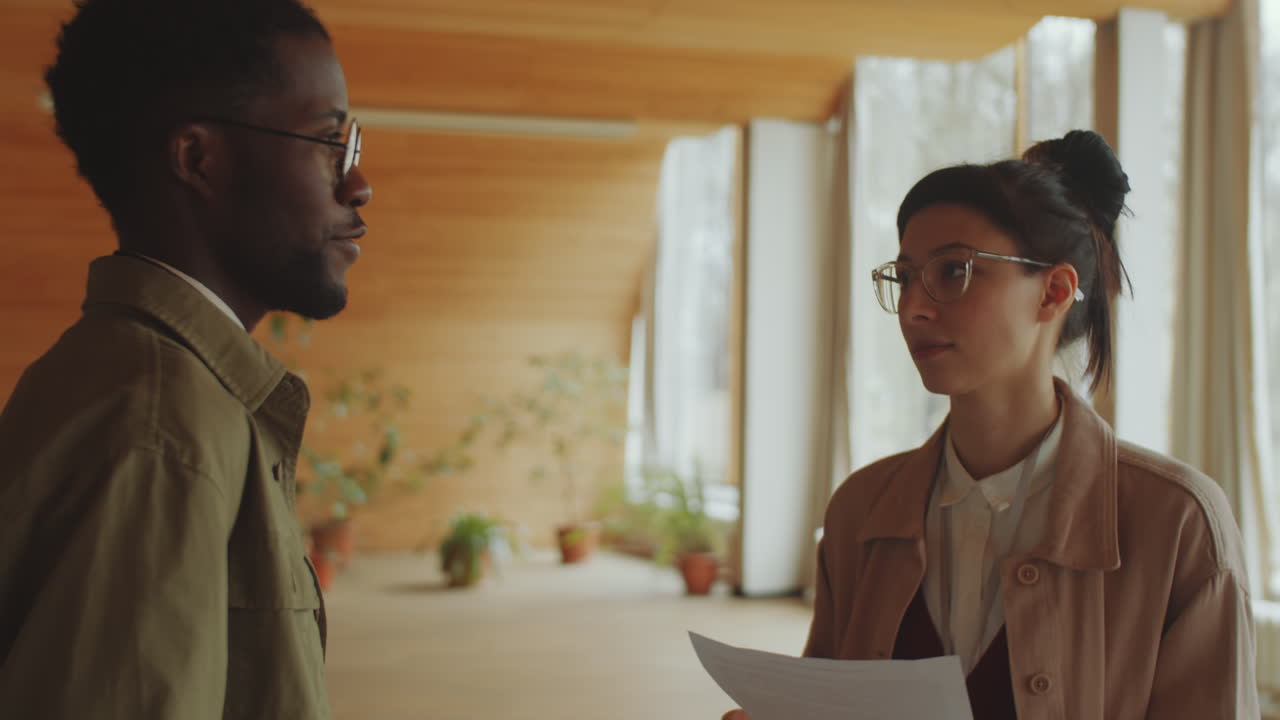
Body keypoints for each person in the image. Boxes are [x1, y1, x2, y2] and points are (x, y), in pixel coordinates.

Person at [724, 130, 1257, 719]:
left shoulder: (1179, 525)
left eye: (954, 271)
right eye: (904, 277)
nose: (914, 308)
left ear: (1054, 292)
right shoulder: (860, 512)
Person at [0, 0, 371, 717]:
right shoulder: (160, 427)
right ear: (199, 159)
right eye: (329, 141)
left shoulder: (138, 383)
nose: (357, 184)